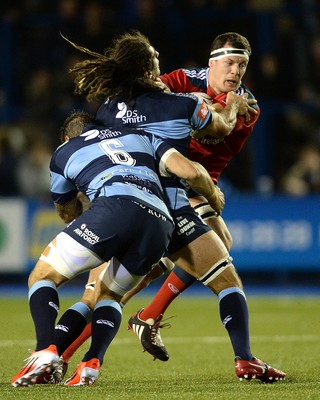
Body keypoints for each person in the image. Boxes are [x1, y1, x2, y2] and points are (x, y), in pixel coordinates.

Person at [57, 30, 286, 384]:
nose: (236, 70)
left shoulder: (248, 108)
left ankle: (86, 346)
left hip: (189, 183)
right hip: (159, 182)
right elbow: (145, 101)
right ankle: (72, 350)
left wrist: (199, 112)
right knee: (111, 288)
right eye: (229, 62)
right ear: (211, 63)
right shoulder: (180, 81)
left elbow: (215, 137)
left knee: (131, 280)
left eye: (242, 64)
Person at [11, 109, 225, 387]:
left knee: (42, 276)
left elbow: (65, 212)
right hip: (160, 222)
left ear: (66, 137)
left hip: (113, 207)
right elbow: (190, 169)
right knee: (109, 295)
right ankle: (91, 364)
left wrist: (89, 208)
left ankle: (44, 351)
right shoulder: (139, 136)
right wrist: (213, 195)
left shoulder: (66, 150)